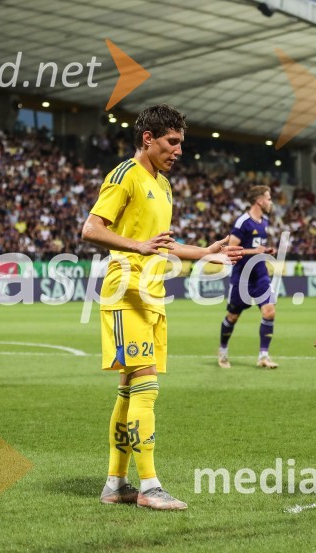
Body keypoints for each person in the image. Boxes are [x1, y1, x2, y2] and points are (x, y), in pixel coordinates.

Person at [81, 104, 241, 511]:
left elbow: (163, 244)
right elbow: (91, 228)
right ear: (148, 139)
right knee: (147, 386)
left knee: (130, 388)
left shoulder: (164, 185)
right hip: (124, 293)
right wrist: (136, 246)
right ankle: (149, 487)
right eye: (172, 142)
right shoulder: (124, 176)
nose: (179, 150)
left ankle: (116, 483)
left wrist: (205, 252)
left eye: (181, 143)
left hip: (152, 295)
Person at [218, 185, 279, 369]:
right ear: (259, 201)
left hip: (260, 274)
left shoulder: (264, 222)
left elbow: (257, 247)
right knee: (233, 316)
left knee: (269, 311)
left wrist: (265, 250)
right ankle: (222, 352)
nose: (270, 202)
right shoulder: (242, 222)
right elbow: (230, 249)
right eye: (268, 198)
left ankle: (263, 356)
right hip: (242, 277)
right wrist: (255, 250)